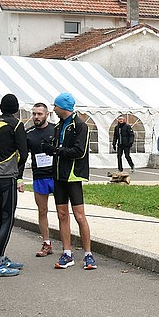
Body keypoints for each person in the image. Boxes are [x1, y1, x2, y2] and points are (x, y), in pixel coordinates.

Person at [42, 92, 96, 270]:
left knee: (80, 216)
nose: (54, 109)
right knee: (62, 214)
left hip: (73, 176)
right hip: (58, 175)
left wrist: (56, 150)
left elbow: (79, 151)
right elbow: (58, 148)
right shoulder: (59, 125)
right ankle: (67, 252)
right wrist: (50, 148)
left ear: (63, 107)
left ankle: (88, 254)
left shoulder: (80, 125)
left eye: (55, 106)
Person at [0, 94, 28, 277]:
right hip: (7, 175)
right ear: (16, 108)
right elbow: (24, 153)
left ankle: (1, 257)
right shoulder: (16, 125)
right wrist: (16, 169)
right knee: (8, 218)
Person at [26, 102, 56, 257]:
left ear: (47, 114)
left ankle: (67, 245)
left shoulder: (56, 130)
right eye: (34, 114)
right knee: (42, 210)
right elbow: (22, 156)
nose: (36, 117)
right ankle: (46, 243)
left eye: (39, 114)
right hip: (39, 176)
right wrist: (19, 178)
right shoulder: (29, 133)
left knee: (63, 212)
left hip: (56, 176)